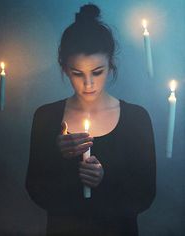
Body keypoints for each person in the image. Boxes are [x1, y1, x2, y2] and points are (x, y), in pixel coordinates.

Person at [26, 4, 156, 236]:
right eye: (78, 73)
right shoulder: (46, 118)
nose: (88, 84)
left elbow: (145, 196)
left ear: (110, 65)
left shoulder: (136, 119)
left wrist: (105, 179)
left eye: (97, 72)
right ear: (64, 69)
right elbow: (36, 191)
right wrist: (57, 157)